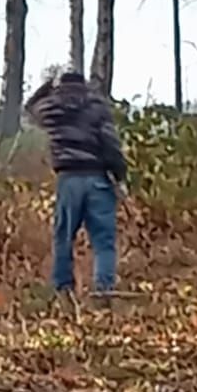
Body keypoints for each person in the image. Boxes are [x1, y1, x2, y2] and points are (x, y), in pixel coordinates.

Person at [25, 69, 128, 298]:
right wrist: (119, 175)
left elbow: (30, 108)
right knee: (104, 240)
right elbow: (110, 144)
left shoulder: (52, 107)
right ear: (85, 85)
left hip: (68, 180)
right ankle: (104, 289)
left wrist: (47, 86)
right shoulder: (96, 106)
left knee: (63, 237)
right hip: (97, 178)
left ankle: (63, 289)